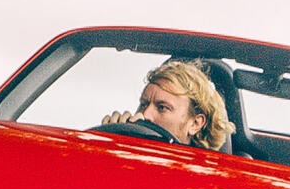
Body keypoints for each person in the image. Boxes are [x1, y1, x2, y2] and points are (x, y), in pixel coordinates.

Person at [100, 59, 234, 150]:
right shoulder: (124, 149)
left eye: (162, 107)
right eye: (144, 104)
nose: (145, 114)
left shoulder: (205, 180)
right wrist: (107, 143)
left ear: (195, 123)